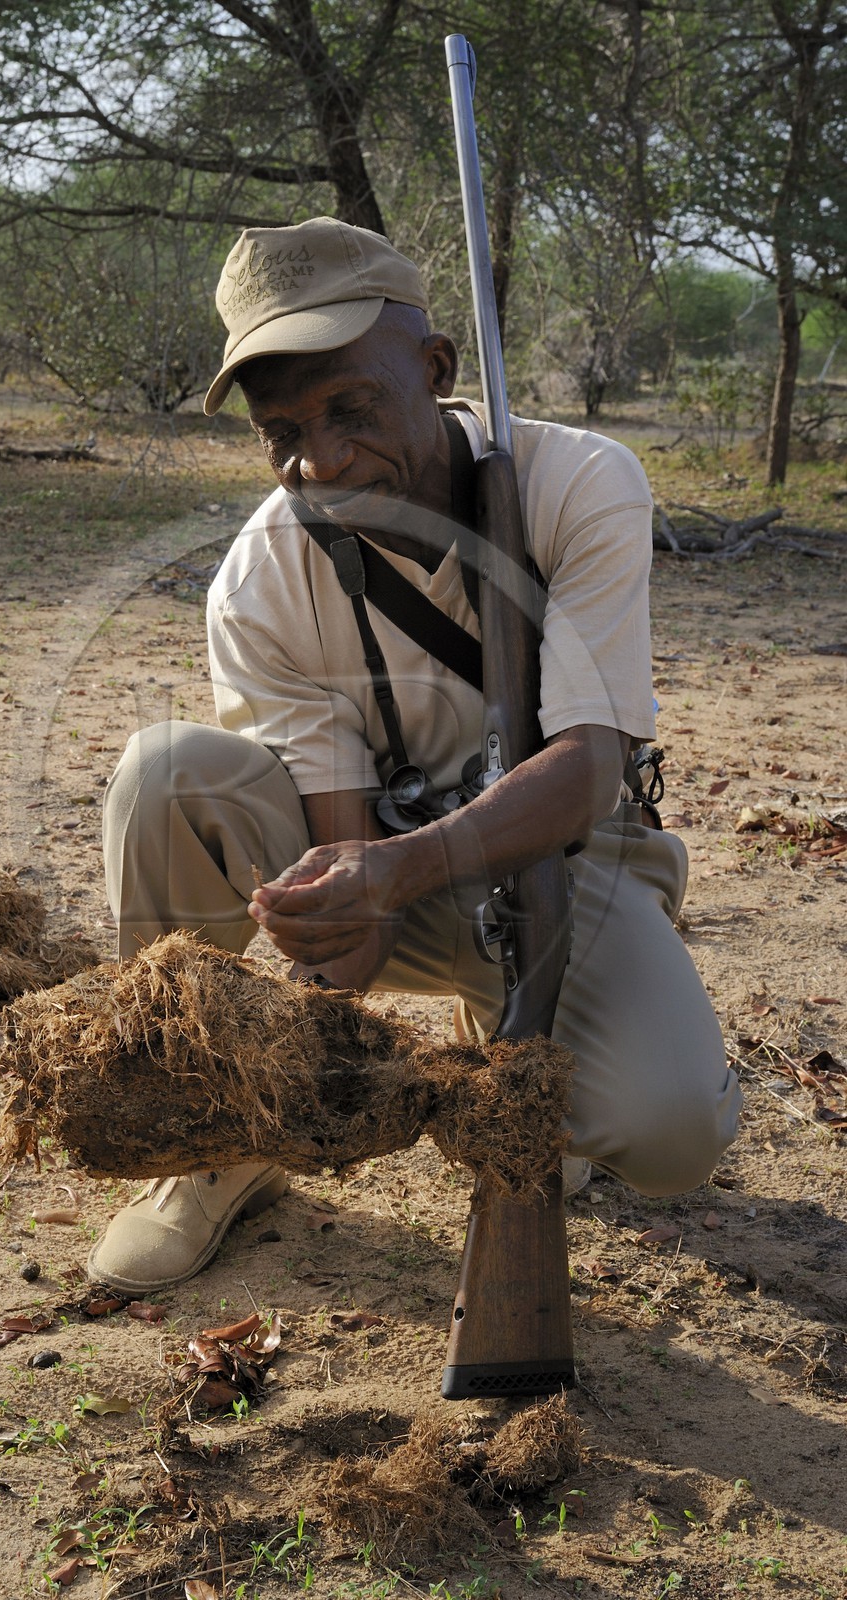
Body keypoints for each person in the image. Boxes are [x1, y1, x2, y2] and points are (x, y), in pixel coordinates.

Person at [87, 215, 741, 1294]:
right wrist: (321, 996)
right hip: (395, 874)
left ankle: (519, 1035)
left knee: (667, 1131)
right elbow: (342, 845)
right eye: (280, 428)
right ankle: (216, 1132)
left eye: (350, 408)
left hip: (565, 859)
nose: (321, 458)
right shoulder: (259, 575)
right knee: (166, 772)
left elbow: (585, 769)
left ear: (434, 369)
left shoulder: (578, 482)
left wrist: (400, 872)